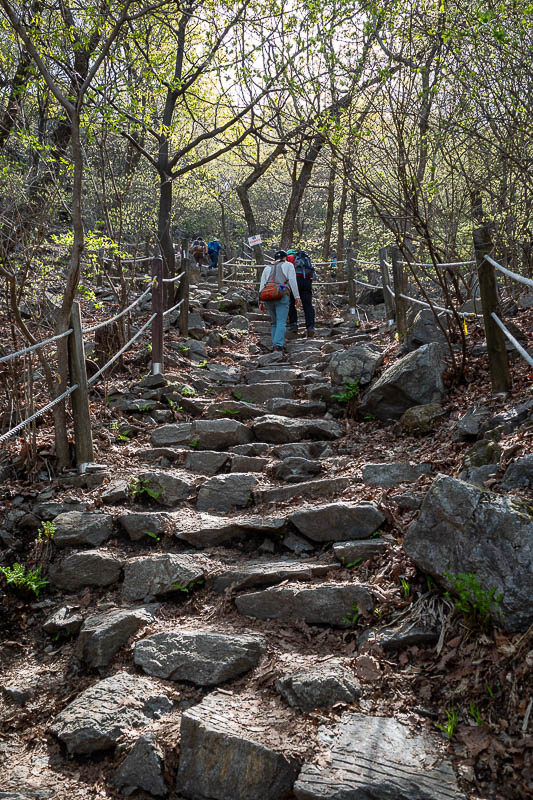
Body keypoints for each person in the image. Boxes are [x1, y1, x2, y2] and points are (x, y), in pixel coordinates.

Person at [259, 250, 301, 352]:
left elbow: (262, 285)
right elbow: (292, 281)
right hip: (281, 294)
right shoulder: (288, 265)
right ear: (285, 257)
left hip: (268, 295)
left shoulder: (267, 267)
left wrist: (260, 301)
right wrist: (297, 297)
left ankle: (275, 344)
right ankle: (277, 346)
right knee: (281, 321)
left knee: (274, 322)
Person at [287, 248, 316, 338]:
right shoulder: (306, 259)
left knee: (290, 303)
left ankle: (294, 324)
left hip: (296, 280)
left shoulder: (289, 258)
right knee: (308, 305)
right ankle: (310, 327)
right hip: (307, 281)